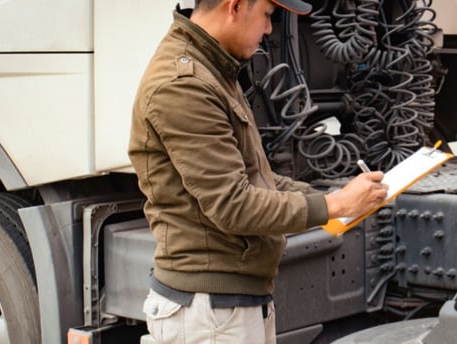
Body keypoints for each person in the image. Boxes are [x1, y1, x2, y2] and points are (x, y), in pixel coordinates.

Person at [128, 0, 388, 343]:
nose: (269, 29)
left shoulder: (213, 69)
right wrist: (334, 207)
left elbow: (258, 179)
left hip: (225, 309)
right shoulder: (184, 85)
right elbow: (233, 204)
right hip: (211, 316)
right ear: (235, 6)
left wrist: (332, 198)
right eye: (267, 15)